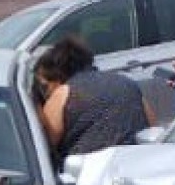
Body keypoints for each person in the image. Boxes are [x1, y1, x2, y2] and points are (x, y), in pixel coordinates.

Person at [33, 35, 151, 167]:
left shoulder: (64, 93)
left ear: (58, 76)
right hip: (135, 164)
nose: (44, 93)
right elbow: (150, 122)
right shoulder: (127, 83)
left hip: (89, 173)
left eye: (44, 86)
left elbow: (45, 145)